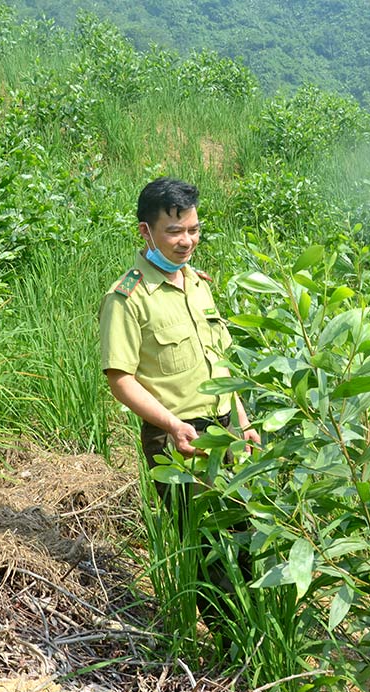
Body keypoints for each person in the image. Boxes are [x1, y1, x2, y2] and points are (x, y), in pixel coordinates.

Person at [99, 176, 260, 651]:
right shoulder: (127, 298)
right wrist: (170, 423)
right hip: (178, 437)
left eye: (193, 229)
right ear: (146, 233)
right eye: (175, 232)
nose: (187, 241)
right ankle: (236, 651)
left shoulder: (197, 284)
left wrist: (244, 422)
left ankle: (258, 636)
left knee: (248, 536)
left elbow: (223, 364)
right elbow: (120, 378)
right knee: (211, 550)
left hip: (228, 429)